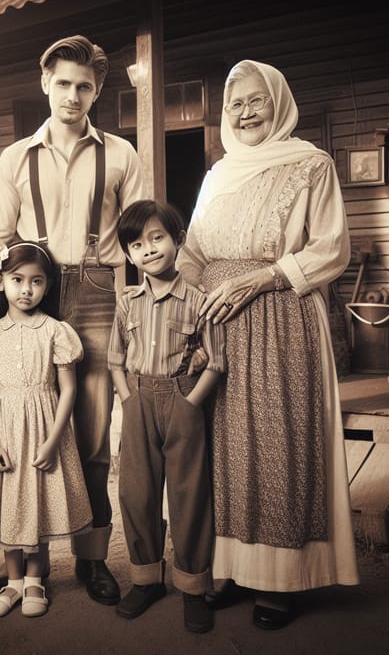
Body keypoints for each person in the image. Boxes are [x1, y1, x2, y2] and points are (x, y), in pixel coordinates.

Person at [176, 59, 360, 630]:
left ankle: (280, 580)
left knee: (278, 442)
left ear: (277, 101)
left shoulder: (311, 164)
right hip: (218, 323)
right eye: (235, 104)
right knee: (221, 447)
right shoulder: (218, 174)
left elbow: (332, 248)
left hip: (279, 313)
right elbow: (194, 249)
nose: (246, 112)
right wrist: (178, 295)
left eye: (256, 100)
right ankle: (230, 567)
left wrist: (261, 278)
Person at [0, 35, 150, 606]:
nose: (73, 95)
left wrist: (137, 311)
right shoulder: (15, 157)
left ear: (97, 91)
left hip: (100, 291)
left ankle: (92, 558)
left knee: (93, 433)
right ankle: (33, 564)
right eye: (64, 83)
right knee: (28, 424)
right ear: (44, 82)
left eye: (85, 86)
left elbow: (141, 238)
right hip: (33, 292)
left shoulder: (122, 154)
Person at [108, 199, 225, 634]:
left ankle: (193, 587)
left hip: (182, 399)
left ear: (177, 241)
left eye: (157, 238)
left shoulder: (199, 301)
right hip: (138, 399)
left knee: (188, 494)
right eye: (136, 244)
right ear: (127, 254)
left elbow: (216, 361)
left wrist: (191, 402)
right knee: (136, 492)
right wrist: (127, 399)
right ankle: (145, 579)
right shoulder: (127, 301)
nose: (148, 249)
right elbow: (115, 359)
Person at [0, 241, 92, 619]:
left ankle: (36, 579)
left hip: (43, 429)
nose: (26, 289)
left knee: (40, 500)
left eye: (36, 281)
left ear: (48, 286)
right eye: (17, 279)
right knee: (9, 503)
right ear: (0, 281)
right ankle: (14, 581)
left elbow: (68, 389)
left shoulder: (56, 331)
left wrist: (54, 441)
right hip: (4, 432)